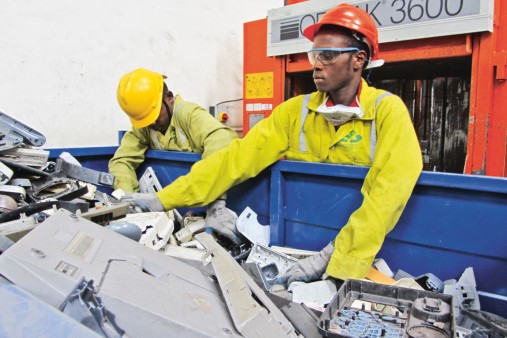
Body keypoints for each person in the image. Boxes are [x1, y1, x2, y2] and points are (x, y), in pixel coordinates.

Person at [121, 4, 423, 284]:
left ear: (359, 59)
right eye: (314, 55)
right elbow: (235, 159)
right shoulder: (294, 112)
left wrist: (339, 255)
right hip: (292, 244)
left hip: (357, 255)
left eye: (328, 55)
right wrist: (166, 199)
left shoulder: (388, 112)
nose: (317, 65)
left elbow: (388, 193)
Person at [110, 68, 241, 242]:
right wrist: (128, 201)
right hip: (174, 205)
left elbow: (222, 140)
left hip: (205, 200)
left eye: (155, 116)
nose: (152, 124)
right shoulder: (145, 128)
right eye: (146, 121)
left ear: (169, 98)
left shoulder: (187, 113)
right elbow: (121, 161)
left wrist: (216, 203)